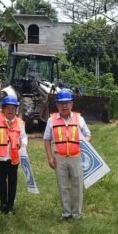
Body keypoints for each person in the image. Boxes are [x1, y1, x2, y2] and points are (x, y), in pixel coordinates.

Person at [43, 89, 91, 220]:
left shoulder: (79, 118)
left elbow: (88, 134)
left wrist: (83, 143)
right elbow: (47, 139)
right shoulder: (51, 120)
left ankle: (76, 214)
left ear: (71, 104)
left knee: (77, 186)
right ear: (57, 105)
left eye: (67, 103)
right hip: (60, 157)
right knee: (63, 186)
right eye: (61, 103)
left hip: (76, 157)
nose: (64, 106)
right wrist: (50, 157)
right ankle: (66, 213)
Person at [0, 95, 27, 215]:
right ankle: (3, 204)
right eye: (7, 108)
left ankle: (11, 205)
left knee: (12, 181)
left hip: (14, 157)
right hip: (0, 156)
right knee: (2, 180)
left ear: (16, 109)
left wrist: (22, 145)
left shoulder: (20, 123)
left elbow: (24, 138)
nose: (10, 110)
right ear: (3, 109)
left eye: (12, 108)